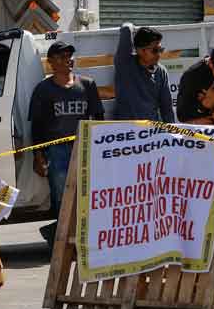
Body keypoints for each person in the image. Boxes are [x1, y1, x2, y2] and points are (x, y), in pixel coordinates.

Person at [28, 41, 105, 246]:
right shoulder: (44, 90)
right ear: (51, 62)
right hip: (57, 150)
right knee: (62, 196)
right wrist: (38, 155)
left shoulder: (87, 84)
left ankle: (85, 238)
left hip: (85, 147)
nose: (67, 60)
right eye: (61, 56)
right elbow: (37, 125)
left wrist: (99, 147)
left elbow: (97, 117)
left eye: (69, 56)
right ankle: (64, 240)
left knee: (87, 193)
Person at [113, 23, 175, 123]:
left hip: (151, 132)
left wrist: (172, 134)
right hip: (125, 132)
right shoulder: (125, 64)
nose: (159, 54)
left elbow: (166, 108)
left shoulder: (161, 72)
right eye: (155, 51)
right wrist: (129, 27)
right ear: (140, 51)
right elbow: (126, 29)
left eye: (161, 50)